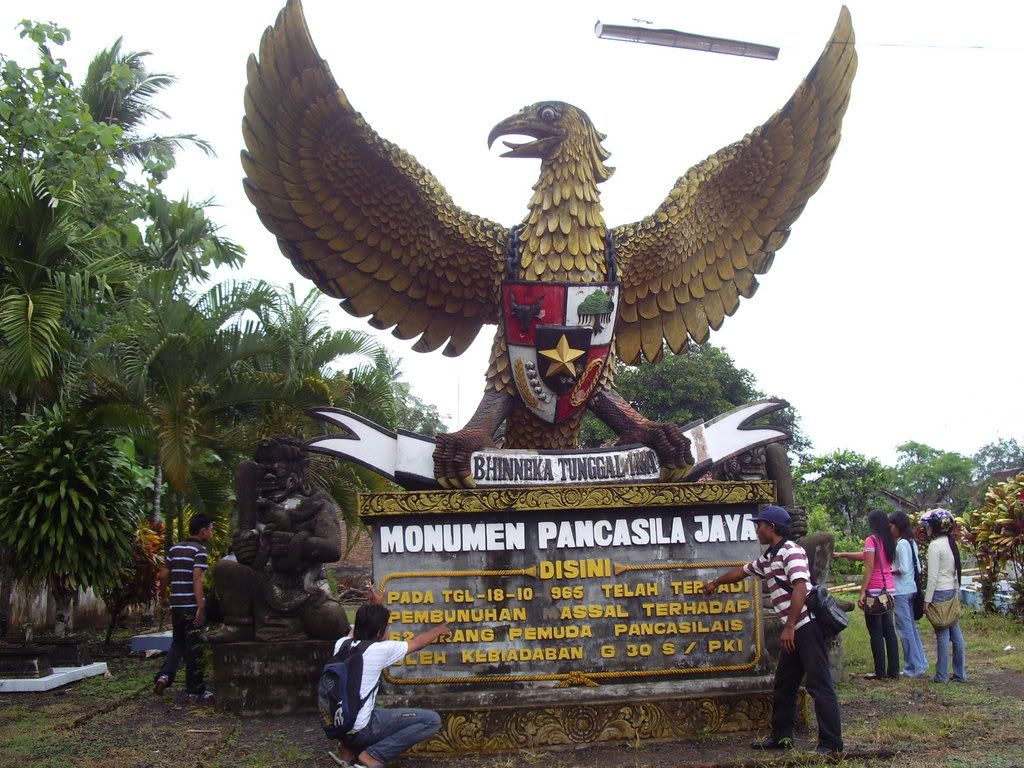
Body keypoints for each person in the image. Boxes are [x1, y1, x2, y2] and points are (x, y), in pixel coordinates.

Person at [703, 505, 843, 757]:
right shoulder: (769, 557)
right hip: (795, 629)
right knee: (785, 683)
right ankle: (781, 737)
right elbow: (742, 572)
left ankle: (831, 744)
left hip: (805, 626)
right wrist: (716, 582)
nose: (757, 529)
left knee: (819, 685)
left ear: (773, 527)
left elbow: (801, 587)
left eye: (761, 524)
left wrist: (789, 626)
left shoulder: (792, 551)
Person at [328, 585, 451, 767]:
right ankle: (373, 756)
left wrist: (376, 605)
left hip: (339, 725)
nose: (389, 630)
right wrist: (439, 630)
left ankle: (348, 750)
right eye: (387, 627)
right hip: (363, 728)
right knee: (431, 720)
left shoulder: (342, 644)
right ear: (379, 632)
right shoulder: (380, 650)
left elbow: (359, 627)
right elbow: (417, 643)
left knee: (368, 710)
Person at [153, 514, 214, 701]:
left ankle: (164, 676)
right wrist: (200, 606)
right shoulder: (199, 551)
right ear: (202, 531)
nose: (211, 533)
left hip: (177, 606)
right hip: (191, 606)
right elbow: (197, 578)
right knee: (194, 647)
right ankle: (195, 690)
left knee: (177, 643)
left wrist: (164, 597)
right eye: (210, 529)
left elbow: (163, 575)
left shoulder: (174, 549)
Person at [835, 509, 899, 680]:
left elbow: (869, 566)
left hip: (875, 590)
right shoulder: (888, 540)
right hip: (889, 589)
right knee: (889, 631)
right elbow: (866, 555)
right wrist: (843, 554)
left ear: (873, 523)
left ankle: (880, 672)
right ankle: (893, 671)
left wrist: (863, 591)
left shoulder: (871, 540)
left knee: (875, 631)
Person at [921, 508, 967, 683]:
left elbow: (932, 577)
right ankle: (960, 673)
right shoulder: (951, 543)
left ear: (935, 526)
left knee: (941, 632)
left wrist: (927, 600)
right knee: (956, 634)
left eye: (929, 526)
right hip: (952, 590)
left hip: (939, 592)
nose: (927, 529)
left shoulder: (935, 546)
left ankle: (941, 675)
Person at [888, 511, 928, 677]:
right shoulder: (911, 542)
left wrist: (889, 571)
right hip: (911, 589)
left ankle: (913, 667)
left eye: (891, 526)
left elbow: (903, 569)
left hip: (901, 591)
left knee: (905, 630)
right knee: (911, 628)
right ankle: (920, 662)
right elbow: (917, 568)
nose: (890, 530)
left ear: (897, 526)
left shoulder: (901, 544)